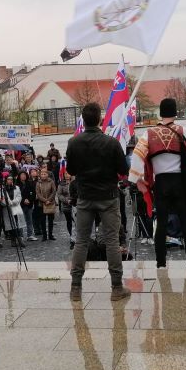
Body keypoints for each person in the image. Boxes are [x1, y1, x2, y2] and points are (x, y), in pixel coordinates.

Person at [66, 103, 130, 300]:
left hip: (85, 197)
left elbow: (71, 171)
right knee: (111, 240)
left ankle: (76, 287)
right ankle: (117, 287)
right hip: (108, 198)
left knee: (81, 241)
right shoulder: (111, 143)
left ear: (83, 120)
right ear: (100, 120)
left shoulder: (73, 142)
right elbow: (123, 169)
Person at [129, 98, 186, 269]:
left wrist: (137, 180)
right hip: (180, 182)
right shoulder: (185, 131)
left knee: (161, 223)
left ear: (160, 113)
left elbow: (137, 156)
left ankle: (161, 263)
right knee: (185, 222)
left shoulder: (149, 134)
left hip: (161, 182)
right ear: (175, 113)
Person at [35, 167, 57, 240]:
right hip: (41, 204)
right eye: (42, 174)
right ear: (40, 175)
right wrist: (45, 200)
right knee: (42, 220)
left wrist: (49, 200)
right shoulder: (38, 183)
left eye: (45, 174)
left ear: (47, 174)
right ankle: (44, 235)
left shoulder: (51, 182)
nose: (43, 175)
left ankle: (50, 235)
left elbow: (54, 191)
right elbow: (38, 193)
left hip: (50, 203)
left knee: (51, 220)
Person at [16, 170, 36, 241]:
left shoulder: (29, 183)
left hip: (29, 205)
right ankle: (20, 236)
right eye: (21, 175)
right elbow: (17, 195)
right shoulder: (16, 185)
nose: (23, 176)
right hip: (20, 205)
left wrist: (29, 200)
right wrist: (24, 200)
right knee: (20, 221)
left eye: (24, 174)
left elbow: (33, 193)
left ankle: (30, 235)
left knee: (29, 220)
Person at [57, 170, 74, 240]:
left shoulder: (74, 182)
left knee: (76, 221)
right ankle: (71, 235)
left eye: (68, 173)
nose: (67, 175)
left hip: (75, 205)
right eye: (65, 174)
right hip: (66, 206)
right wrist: (66, 200)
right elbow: (59, 195)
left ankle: (77, 235)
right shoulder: (61, 184)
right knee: (69, 221)